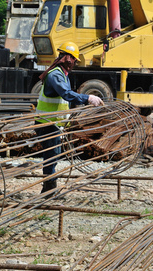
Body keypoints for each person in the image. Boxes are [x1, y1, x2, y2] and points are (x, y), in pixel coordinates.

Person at [35, 41, 104, 195]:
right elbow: (66, 94)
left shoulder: (62, 74)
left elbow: (64, 99)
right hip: (47, 123)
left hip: (53, 123)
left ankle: (48, 188)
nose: (74, 63)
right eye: (73, 59)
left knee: (53, 155)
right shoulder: (56, 75)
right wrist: (87, 98)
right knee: (51, 155)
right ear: (67, 58)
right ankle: (48, 190)